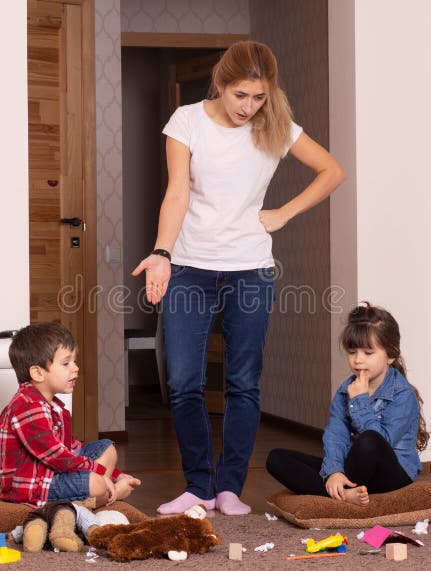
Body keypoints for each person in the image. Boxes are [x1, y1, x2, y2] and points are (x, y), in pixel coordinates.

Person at [131, 40, 346, 515]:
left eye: (259, 97)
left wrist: (285, 213)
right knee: (185, 380)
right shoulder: (187, 121)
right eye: (240, 96)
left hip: (250, 268)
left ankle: (228, 487)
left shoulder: (277, 126)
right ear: (221, 84)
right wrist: (162, 252)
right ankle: (198, 486)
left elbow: (332, 170)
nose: (249, 107)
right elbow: (177, 193)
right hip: (190, 267)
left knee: (243, 382)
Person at [266, 303, 431, 505]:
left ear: (390, 355)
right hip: (354, 469)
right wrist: (334, 471)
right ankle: (344, 493)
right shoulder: (346, 389)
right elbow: (336, 434)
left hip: (392, 475)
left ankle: (336, 493)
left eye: (368, 353)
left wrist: (360, 400)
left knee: (369, 440)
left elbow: (381, 444)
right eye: (352, 352)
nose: (358, 361)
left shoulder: (403, 394)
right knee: (277, 459)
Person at [0, 322, 140, 507]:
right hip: (32, 485)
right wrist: (99, 473)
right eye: (66, 363)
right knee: (95, 482)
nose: (75, 368)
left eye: (74, 361)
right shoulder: (28, 407)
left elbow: (72, 447)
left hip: (53, 472)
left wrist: (115, 473)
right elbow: (56, 456)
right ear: (38, 373)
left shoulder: (54, 407)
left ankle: (103, 489)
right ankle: (111, 494)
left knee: (107, 448)